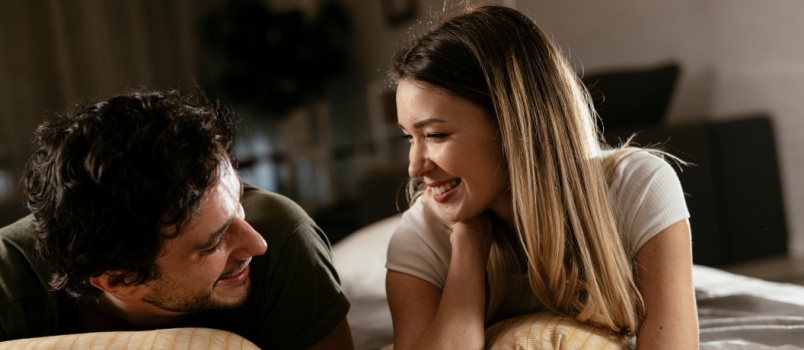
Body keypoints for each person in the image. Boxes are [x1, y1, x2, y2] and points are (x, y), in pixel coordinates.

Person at [385, 5, 698, 349]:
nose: (414, 168)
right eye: (408, 138)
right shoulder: (421, 236)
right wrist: (467, 250)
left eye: (435, 135)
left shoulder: (638, 187)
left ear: (512, 125)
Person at [0, 88, 354, 349]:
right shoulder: (10, 288)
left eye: (238, 204)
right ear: (117, 279)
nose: (255, 243)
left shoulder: (282, 239)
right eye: (213, 243)